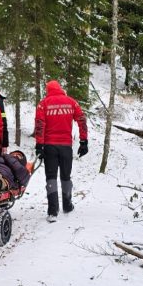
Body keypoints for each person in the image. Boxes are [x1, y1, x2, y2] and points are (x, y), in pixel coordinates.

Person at [34, 80, 88, 223]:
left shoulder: (43, 104)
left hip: (50, 146)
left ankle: (53, 211)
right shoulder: (71, 102)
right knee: (66, 176)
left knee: (51, 177)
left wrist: (39, 145)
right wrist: (84, 141)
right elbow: (82, 120)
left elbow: (40, 125)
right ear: (60, 89)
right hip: (66, 146)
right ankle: (67, 205)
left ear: (48, 90)